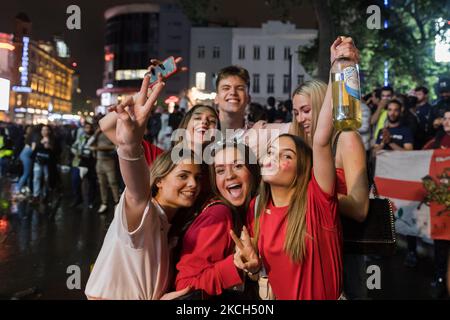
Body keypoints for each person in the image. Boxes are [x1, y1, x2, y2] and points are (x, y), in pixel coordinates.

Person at [85, 76, 201, 300]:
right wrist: (130, 148)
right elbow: (137, 192)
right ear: (159, 180)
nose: (193, 184)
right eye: (183, 176)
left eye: (198, 177)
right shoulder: (145, 214)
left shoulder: (166, 223)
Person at [175, 142, 261, 298]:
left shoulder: (255, 208)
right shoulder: (218, 215)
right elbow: (185, 287)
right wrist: (235, 265)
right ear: (215, 180)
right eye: (220, 171)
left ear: (253, 170)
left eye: (238, 166)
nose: (229, 175)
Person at [91, 127, 120, 214]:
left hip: (109, 161)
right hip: (99, 161)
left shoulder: (112, 133)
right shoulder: (98, 133)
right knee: (102, 183)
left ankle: (116, 202)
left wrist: (99, 148)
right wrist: (96, 133)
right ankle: (104, 203)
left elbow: (116, 146)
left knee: (113, 182)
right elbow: (90, 144)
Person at [70, 122, 97, 209]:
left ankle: (90, 201)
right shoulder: (81, 138)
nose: (87, 129)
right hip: (78, 162)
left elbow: (92, 151)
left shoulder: (95, 139)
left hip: (90, 163)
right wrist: (76, 152)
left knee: (91, 184)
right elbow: (74, 147)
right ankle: (78, 199)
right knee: (75, 181)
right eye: (86, 127)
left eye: (89, 127)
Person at [31, 125, 55, 202]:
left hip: (48, 162)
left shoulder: (52, 139)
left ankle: (45, 194)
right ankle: (36, 195)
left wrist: (50, 146)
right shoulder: (37, 138)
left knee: (47, 178)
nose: (45, 132)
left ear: (49, 131)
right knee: (36, 178)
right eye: (43, 130)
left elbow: (55, 151)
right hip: (38, 161)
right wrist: (41, 143)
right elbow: (33, 150)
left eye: (46, 130)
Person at [15, 125, 34, 195]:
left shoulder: (30, 138)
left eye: (31, 129)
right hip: (24, 157)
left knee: (28, 174)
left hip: (26, 157)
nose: (29, 130)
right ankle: (18, 189)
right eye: (28, 129)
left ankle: (28, 188)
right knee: (26, 173)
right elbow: (18, 147)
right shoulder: (24, 137)